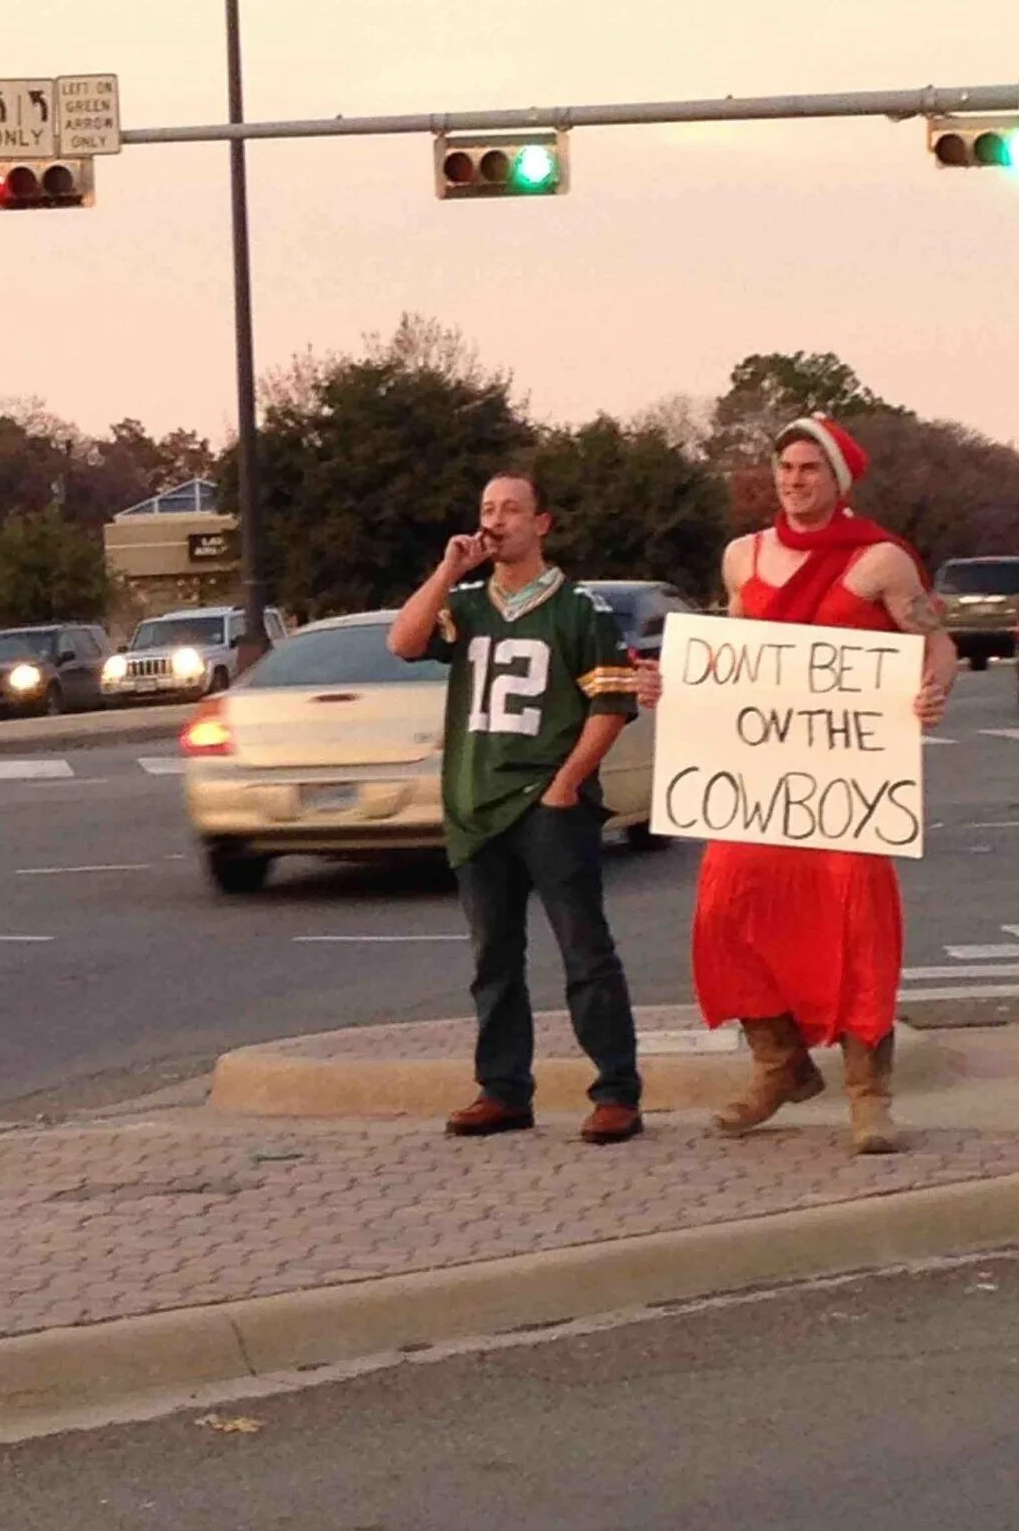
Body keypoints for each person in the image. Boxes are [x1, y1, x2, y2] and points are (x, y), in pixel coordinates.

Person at [639, 414, 957, 1154]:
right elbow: (735, 661)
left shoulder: (882, 561)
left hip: (849, 783)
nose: (793, 479)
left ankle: (868, 1094)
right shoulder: (741, 557)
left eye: (809, 467)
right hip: (762, 781)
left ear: (836, 480)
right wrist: (674, 686)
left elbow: (937, 645)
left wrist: (932, 690)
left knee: (856, 926)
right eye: (784, 466)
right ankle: (779, 1064)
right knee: (726, 908)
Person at [390, 473, 645, 1142]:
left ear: (543, 523)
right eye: (486, 508)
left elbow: (611, 704)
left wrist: (567, 783)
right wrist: (448, 568)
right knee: (492, 958)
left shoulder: (578, 608)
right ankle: (503, 1088)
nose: (496, 519)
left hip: (548, 800)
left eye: (511, 508)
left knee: (584, 950)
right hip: (478, 801)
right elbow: (405, 641)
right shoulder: (468, 603)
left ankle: (616, 1089)